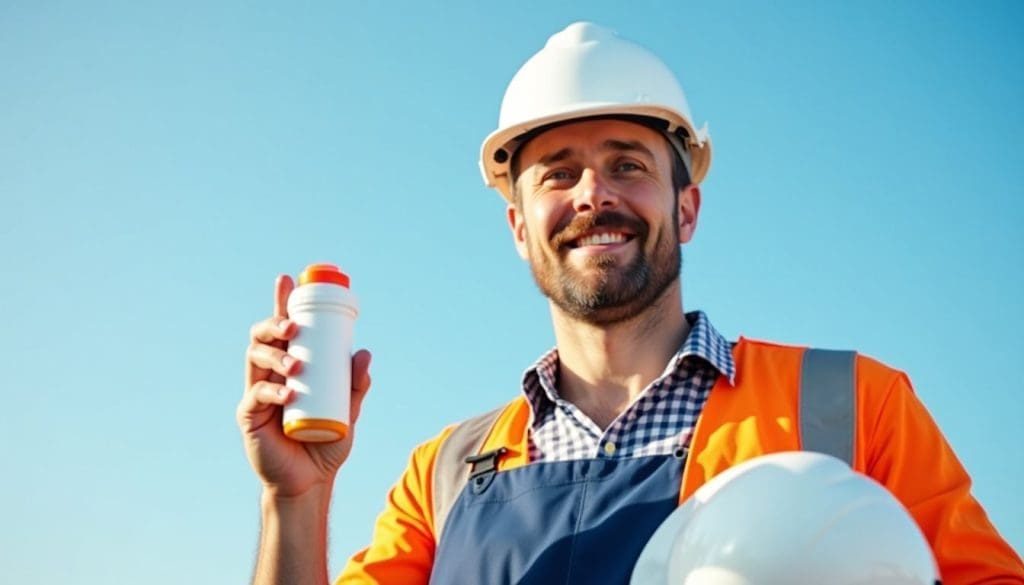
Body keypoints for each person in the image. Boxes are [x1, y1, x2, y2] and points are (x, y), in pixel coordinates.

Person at [238, 22, 1023, 584]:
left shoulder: (852, 407)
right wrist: (295, 501)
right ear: (519, 226)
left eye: (627, 164)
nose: (593, 196)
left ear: (687, 208)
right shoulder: (442, 475)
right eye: (557, 172)